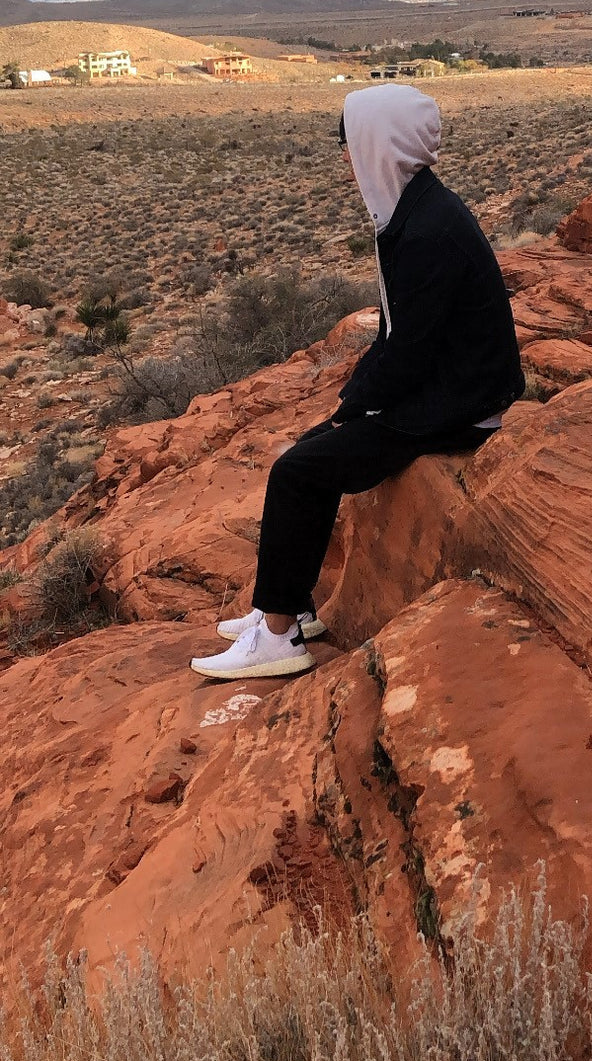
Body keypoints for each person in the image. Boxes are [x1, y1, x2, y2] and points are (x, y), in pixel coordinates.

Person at [191, 83, 524, 680]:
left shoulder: (426, 233)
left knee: (297, 470)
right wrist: (353, 402)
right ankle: (289, 609)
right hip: (445, 390)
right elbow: (402, 339)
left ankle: (277, 636)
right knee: (308, 453)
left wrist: (358, 406)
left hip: (457, 406)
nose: (346, 158)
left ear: (381, 145)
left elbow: (408, 350)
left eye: (351, 144)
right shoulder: (416, 213)